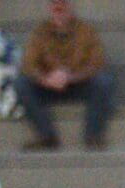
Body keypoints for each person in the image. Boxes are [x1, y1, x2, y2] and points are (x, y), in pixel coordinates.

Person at [13, 0, 114, 152]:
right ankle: (46, 136)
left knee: (104, 82)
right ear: (49, 7)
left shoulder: (86, 30)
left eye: (62, 3)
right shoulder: (39, 32)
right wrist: (45, 79)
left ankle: (92, 136)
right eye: (54, 4)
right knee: (21, 84)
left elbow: (97, 62)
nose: (58, 8)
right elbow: (28, 64)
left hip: (78, 84)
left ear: (70, 6)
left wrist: (71, 77)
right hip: (47, 86)